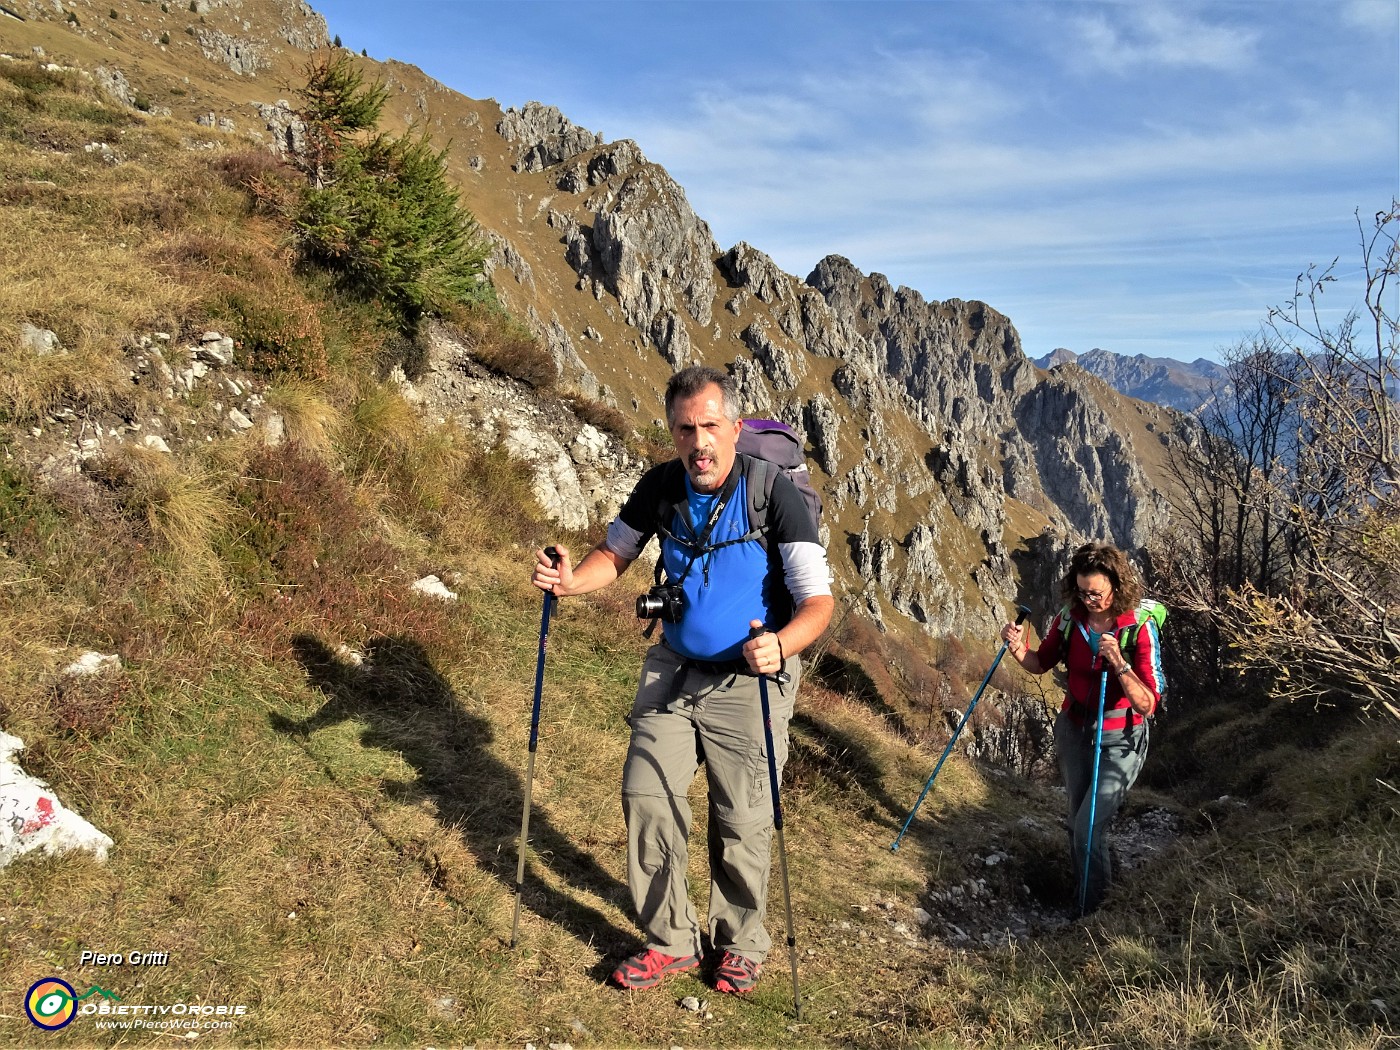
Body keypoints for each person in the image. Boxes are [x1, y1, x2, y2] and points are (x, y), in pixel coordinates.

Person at [531, 365, 833, 994]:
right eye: (685, 428)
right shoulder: (661, 486)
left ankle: (740, 942)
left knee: (743, 817)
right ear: (672, 431)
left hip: (752, 679)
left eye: (710, 426)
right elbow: (614, 555)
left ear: (735, 426)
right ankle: (670, 940)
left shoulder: (770, 493)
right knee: (646, 793)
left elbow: (818, 602)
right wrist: (568, 581)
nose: (700, 442)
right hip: (673, 669)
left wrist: (780, 644)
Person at [1000, 542, 1163, 914]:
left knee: (1089, 827)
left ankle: (1093, 912)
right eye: (1083, 591)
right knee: (1078, 824)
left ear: (1116, 587)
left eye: (1097, 593)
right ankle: (1089, 892)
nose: (1089, 599)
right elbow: (1040, 663)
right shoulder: (1070, 618)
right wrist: (1016, 648)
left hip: (1122, 738)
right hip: (1075, 730)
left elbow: (1149, 703)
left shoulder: (1138, 627)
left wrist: (1120, 664)